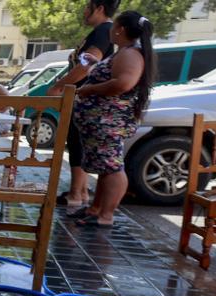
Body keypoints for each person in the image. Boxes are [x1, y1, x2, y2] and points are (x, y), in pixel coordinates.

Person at [70, 11, 154, 227]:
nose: (110, 30)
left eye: (113, 26)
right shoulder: (125, 52)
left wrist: (88, 90)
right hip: (100, 123)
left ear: (121, 29)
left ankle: (105, 216)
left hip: (109, 122)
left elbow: (123, 83)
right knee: (105, 168)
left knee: (112, 167)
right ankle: (95, 209)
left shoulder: (131, 54)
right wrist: (97, 64)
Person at [50, 0, 119, 208]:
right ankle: (80, 192)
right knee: (75, 141)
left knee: (77, 142)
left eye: (87, 7)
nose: (84, 12)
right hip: (82, 96)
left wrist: (59, 86)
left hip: (85, 97)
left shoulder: (103, 31)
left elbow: (86, 64)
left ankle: (77, 194)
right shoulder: (100, 31)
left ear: (100, 8)